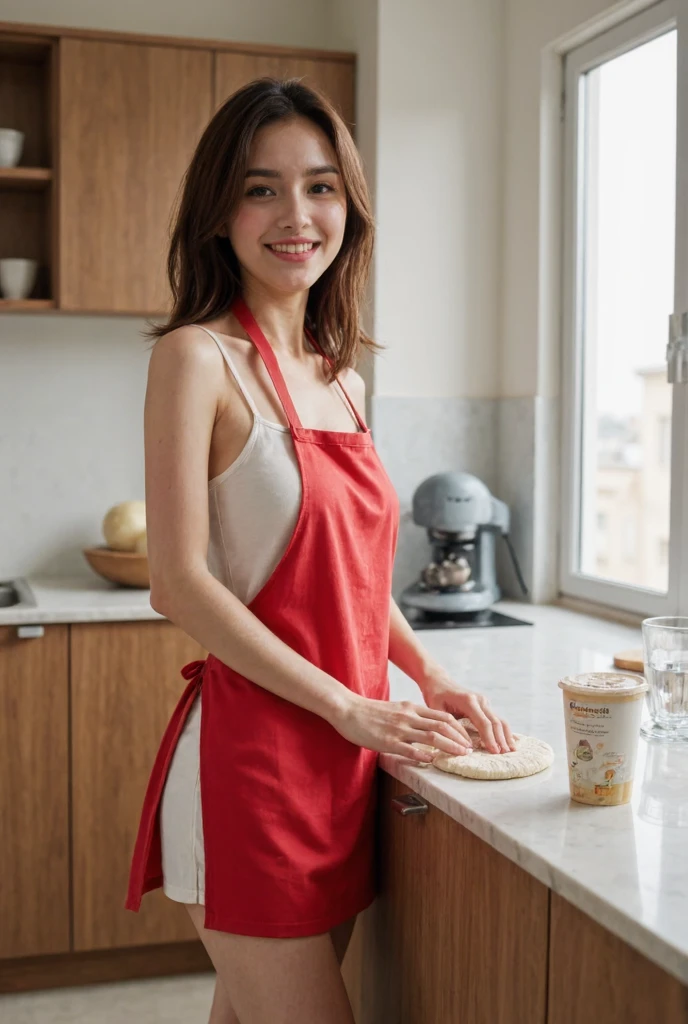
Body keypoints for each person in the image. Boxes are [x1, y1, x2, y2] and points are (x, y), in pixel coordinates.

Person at [124, 77, 516, 1024]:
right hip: (254, 770)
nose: (295, 215)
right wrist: (352, 707)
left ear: (350, 206)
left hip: (343, 759)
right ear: (219, 211)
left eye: (321, 186)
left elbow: (358, 579)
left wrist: (430, 678)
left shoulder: (343, 382)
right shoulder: (197, 359)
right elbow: (178, 583)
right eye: (261, 188)